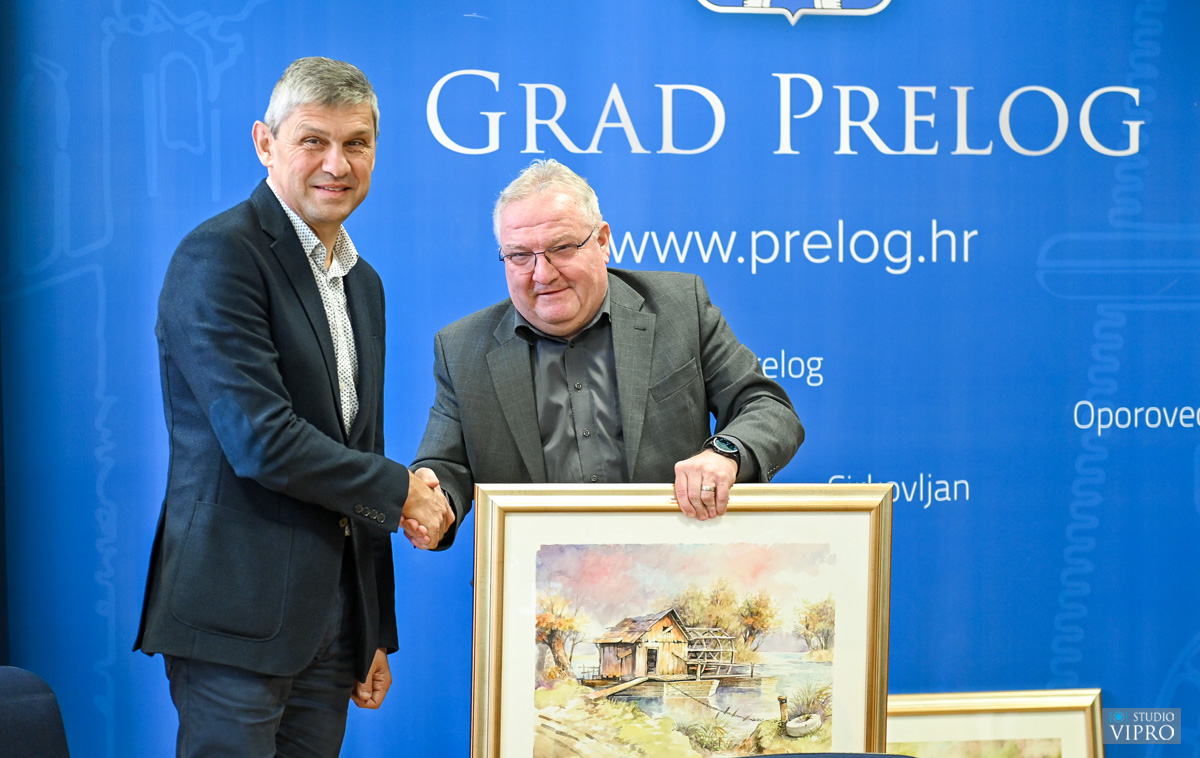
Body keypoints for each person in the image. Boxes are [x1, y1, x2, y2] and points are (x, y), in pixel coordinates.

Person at [134, 57, 453, 757]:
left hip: (331, 630)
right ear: (265, 143)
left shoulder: (362, 283)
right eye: (314, 140)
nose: (337, 164)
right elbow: (262, 441)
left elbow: (358, 451)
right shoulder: (219, 256)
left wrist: (372, 627)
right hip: (234, 621)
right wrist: (402, 490)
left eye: (356, 143)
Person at [411, 159, 803, 547]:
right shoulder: (462, 347)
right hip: (532, 575)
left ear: (602, 242)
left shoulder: (680, 308)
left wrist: (723, 454)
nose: (542, 274)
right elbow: (445, 466)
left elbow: (769, 409)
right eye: (519, 255)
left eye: (562, 248)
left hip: (675, 563)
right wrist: (434, 501)